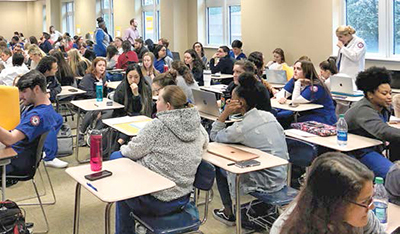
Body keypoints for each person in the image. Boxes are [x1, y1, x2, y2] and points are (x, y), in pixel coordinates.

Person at [110, 85, 209, 234]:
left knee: (117, 161)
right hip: (183, 197)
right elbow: (205, 142)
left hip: (156, 200)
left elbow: (131, 151)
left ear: (168, 106)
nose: (156, 102)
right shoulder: (198, 126)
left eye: (159, 99)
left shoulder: (157, 126)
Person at [210, 72, 288, 225]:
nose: (229, 101)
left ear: (241, 103)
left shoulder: (242, 127)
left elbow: (214, 135)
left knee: (219, 168)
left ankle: (228, 213)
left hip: (266, 181)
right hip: (281, 175)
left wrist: (225, 112)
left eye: (232, 99)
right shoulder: (268, 116)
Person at [270, 152, 385, 234]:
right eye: (365, 201)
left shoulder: (361, 214)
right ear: (336, 203)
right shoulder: (287, 229)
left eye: (370, 199)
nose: (371, 207)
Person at [0, 70, 68, 175]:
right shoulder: (43, 108)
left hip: (15, 161)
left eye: (24, 91)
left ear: (36, 89)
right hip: (17, 156)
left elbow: (10, 139)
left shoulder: (37, 116)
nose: (20, 96)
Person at [345, 66, 398, 178]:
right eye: (384, 94)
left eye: (390, 93)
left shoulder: (384, 108)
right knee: (394, 177)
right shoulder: (363, 110)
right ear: (370, 95)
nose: (389, 97)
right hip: (359, 151)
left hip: (374, 147)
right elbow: (382, 131)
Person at [275, 60, 337, 125]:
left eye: (298, 69)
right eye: (294, 68)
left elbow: (295, 100)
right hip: (304, 113)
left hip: (321, 117)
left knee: (285, 120)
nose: (295, 71)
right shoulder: (294, 79)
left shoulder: (316, 86)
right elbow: (281, 94)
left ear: (306, 71)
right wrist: (281, 98)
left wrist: (298, 83)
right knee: (276, 115)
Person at [113, 64, 153, 145]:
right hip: (124, 118)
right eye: (130, 77)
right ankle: (119, 143)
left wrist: (136, 95)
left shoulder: (146, 88)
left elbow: (140, 110)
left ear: (140, 77)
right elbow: (118, 110)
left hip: (142, 118)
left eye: (136, 77)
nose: (133, 80)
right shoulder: (121, 88)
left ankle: (120, 142)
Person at [78, 57, 111, 139]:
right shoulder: (88, 77)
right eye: (100, 65)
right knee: (94, 110)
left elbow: (104, 94)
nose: (102, 67)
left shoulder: (103, 78)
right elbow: (86, 93)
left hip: (99, 102)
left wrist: (106, 87)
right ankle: (81, 133)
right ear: (94, 66)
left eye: (104, 65)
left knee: (110, 111)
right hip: (85, 101)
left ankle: (95, 131)